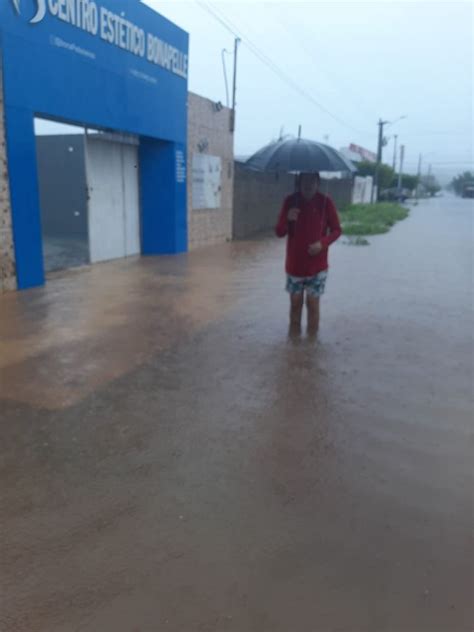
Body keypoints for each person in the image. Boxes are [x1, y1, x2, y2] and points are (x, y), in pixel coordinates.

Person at [275, 172, 341, 337]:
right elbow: (279, 232)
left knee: (312, 304)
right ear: (299, 182)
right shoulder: (290, 201)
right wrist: (287, 218)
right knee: (295, 304)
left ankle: (312, 345)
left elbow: (337, 230)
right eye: (305, 180)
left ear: (318, 183)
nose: (309, 184)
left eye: (313, 180)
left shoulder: (326, 202)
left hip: (317, 267)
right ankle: (294, 343)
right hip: (294, 266)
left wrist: (322, 244)